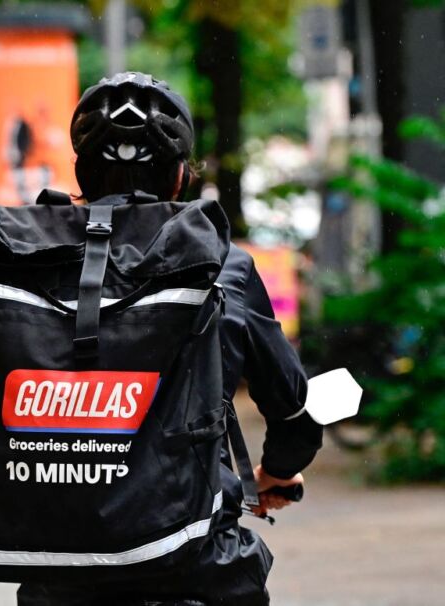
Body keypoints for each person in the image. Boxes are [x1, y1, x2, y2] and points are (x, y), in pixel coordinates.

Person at [16, 72, 324, 605]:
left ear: (81, 174)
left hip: (63, 571)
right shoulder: (223, 266)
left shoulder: (35, 269)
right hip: (193, 567)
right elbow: (295, 414)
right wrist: (273, 473)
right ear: (180, 177)